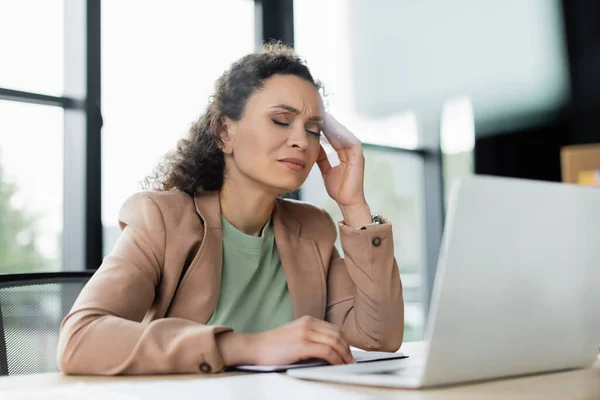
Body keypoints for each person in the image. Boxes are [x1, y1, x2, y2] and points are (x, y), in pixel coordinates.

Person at [57, 43, 404, 375]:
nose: (301, 140)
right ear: (224, 131)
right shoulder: (162, 220)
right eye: (282, 120)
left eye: (313, 130)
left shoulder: (312, 228)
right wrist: (248, 347)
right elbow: (81, 338)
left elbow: (379, 335)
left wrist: (352, 204)